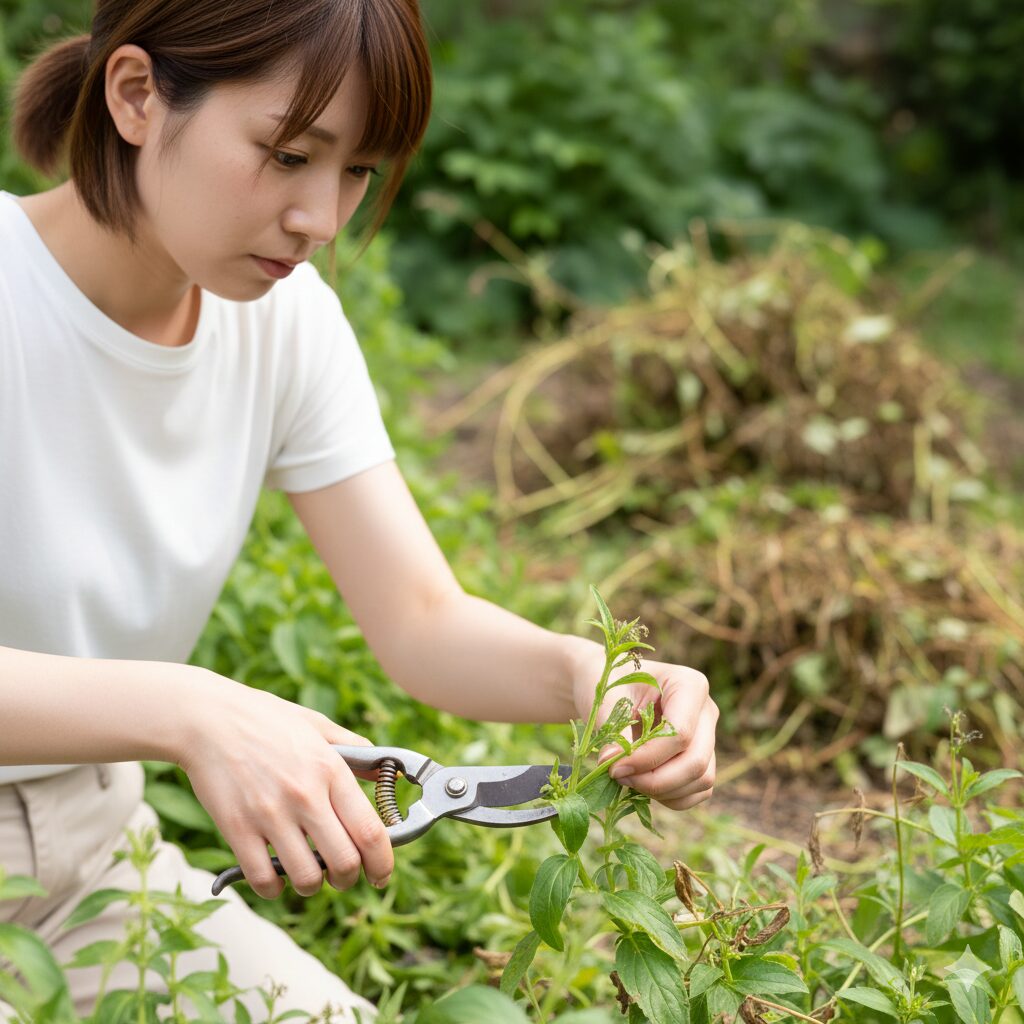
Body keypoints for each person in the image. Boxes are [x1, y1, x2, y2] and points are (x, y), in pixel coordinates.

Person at [0, 0, 719, 1019]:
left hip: (92, 867)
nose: (323, 219)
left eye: (356, 172)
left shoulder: (284, 326)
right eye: (289, 154)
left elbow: (422, 619)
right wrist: (193, 710)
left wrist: (591, 678)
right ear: (135, 95)